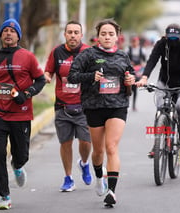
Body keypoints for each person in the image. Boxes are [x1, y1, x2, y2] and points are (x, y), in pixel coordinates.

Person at [0, 18, 45, 210]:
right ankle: (4, 195)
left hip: (21, 114)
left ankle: (17, 165)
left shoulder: (27, 57)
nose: (8, 33)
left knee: (21, 154)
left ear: (18, 36)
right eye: (5, 30)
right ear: (1, 35)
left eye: (12, 31)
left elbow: (39, 81)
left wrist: (26, 94)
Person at [68, 18, 135, 207]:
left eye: (111, 34)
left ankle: (112, 191)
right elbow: (72, 76)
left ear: (117, 37)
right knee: (98, 151)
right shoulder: (87, 55)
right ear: (97, 37)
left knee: (112, 147)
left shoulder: (123, 56)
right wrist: (91, 76)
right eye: (103, 34)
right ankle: (99, 176)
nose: (107, 37)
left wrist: (130, 81)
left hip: (117, 106)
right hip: (94, 107)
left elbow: (129, 78)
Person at [135, 23, 180, 157]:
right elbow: (152, 60)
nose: (173, 40)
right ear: (166, 35)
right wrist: (144, 77)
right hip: (164, 82)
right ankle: (157, 145)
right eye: (170, 37)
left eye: (176, 38)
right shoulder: (161, 44)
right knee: (160, 108)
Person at [44, 20, 92, 192]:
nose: (73, 35)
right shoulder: (57, 52)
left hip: (84, 106)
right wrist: (47, 76)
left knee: (86, 142)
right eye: (69, 32)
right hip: (62, 106)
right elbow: (48, 70)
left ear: (81, 35)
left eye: (76, 32)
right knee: (66, 143)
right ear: (65, 34)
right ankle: (68, 178)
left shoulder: (88, 52)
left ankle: (84, 163)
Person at [126, 35, 147, 111]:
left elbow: (144, 61)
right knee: (128, 87)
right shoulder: (128, 49)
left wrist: (142, 67)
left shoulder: (142, 50)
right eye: (133, 41)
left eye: (136, 41)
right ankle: (127, 103)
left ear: (138, 42)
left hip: (138, 70)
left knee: (135, 88)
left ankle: (134, 105)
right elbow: (126, 60)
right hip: (131, 69)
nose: (134, 43)